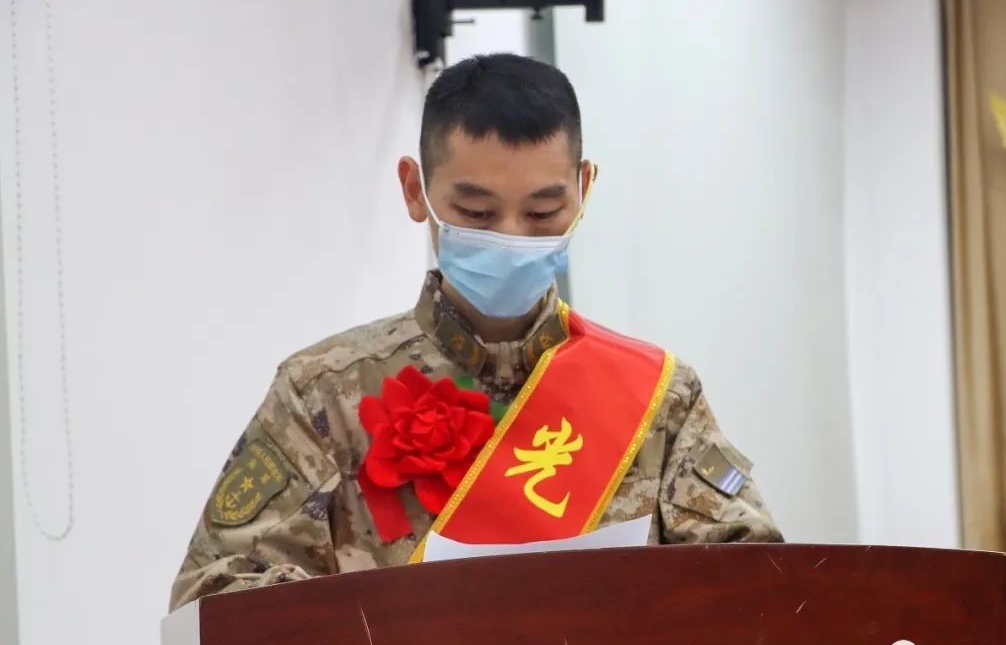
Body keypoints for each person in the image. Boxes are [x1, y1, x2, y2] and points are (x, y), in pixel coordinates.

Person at [169, 53, 782, 612]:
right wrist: (380, 624)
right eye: (477, 213)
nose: (511, 236)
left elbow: (760, 590)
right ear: (415, 190)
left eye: (543, 212)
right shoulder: (324, 394)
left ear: (584, 189)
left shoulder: (661, 397)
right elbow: (214, 600)